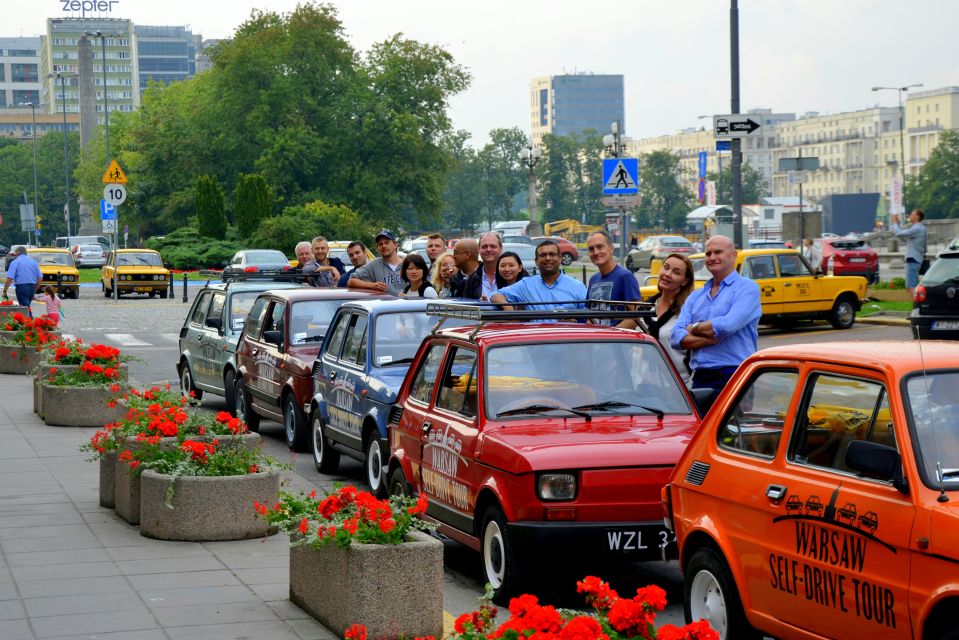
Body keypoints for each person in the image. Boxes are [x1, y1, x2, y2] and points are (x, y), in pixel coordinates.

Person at [671, 235, 761, 399]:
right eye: (708, 253)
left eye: (718, 252)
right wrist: (711, 338)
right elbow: (676, 338)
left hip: (735, 375)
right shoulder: (695, 297)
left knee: (733, 425)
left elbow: (729, 325)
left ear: (734, 255)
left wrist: (694, 328)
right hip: (701, 378)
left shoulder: (748, 289)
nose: (712, 258)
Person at [620, 254, 696, 385]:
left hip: (676, 388)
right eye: (666, 267)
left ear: (685, 281)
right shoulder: (647, 306)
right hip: (642, 386)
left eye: (676, 272)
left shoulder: (688, 312)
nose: (667, 274)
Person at [490, 240, 587, 319]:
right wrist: (509, 311)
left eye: (552, 254)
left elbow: (589, 319)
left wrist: (576, 323)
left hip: (567, 341)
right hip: (535, 341)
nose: (548, 258)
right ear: (536, 261)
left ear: (560, 258)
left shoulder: (577, 287)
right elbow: (495, 295)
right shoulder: (526, 285)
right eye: (543, 255)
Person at [586, 231, 641, 324]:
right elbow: (590, 316)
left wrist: (610, 335)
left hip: (615, 338)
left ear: (611, 248)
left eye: (600, 247)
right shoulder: (593, 280)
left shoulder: (625, 277)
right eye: (591, 249)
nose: (595, 252)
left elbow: (635, 317)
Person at [347, 230, 406, 295]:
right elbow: (351, 281)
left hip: (408, 304)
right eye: (380, 244)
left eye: (387, 242)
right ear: (377, 248)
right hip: (385, 304)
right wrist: (372, 285)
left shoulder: (408, 263)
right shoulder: (374, 265)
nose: (383, 246)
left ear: (395, 245)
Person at [891, 208, 928, 298]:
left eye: (912, 214)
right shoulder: (918, 228)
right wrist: (898, 225)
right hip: (915, 259)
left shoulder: (918, 228)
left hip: (913, 259)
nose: (910, 216)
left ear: (917, 217)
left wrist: (895, 223)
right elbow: (903, 237)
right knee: (912, 285)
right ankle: (920, 305)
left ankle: (916, 307)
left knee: (911, 286)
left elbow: (900, 234)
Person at [3, 246, 42, 314]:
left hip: (21, 287)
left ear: (17, 253)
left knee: (25, 309)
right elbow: (40, 278)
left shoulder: (15, 262)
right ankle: (29, 322)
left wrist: (5, 291)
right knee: (27, 306)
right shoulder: (34, 262)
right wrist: (35, 289)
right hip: (32, 286)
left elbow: (9, 278)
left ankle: (30, 322)